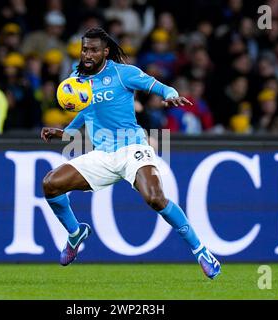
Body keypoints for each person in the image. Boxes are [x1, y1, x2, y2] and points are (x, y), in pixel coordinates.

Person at [40, 28, 221, 279]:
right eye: (84, 49)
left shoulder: (123, 73)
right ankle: (75, 233)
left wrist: (171, 94)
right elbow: (86, 109)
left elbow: (156, 85)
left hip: (131, 147)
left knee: (155, 198)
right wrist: (67, 132)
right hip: (101, 154)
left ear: (105, 51)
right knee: (51, 184)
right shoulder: (76, 78)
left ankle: (201, 250)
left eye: (93, 50)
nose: (87, 54)